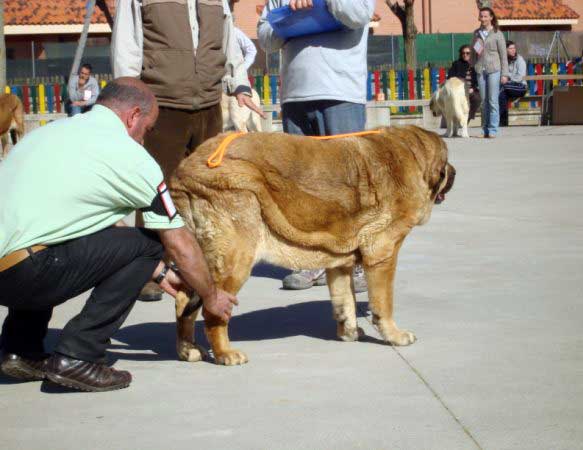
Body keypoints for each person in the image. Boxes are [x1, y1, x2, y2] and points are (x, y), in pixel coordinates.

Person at [0, 78, 237, 392]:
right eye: (148, 129)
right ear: (133, 116)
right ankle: (79, 355)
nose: (144, 139)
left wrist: (159, 272)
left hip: (11, 270)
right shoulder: (132, 158)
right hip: (25, 274)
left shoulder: (49, 133)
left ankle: (20, 351)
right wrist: (211, 296)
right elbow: (178, 242)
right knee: (151, 243)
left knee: (44, 236)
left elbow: (83, 223)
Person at [112, 0, 263, 301]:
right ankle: (150, 269)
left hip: (208, 105)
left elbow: (227, 39)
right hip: (161, 104)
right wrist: (128, 98)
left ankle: (205, 264)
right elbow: (126, 46)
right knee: (156, 191)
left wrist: (239, 84)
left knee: (209, 190)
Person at [258, 0, 374, 292]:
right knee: (301, 187)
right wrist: (290, 17)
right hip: (296, 94)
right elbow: (266, 38)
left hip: (340, 91)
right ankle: (311, 262)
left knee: (348, 184)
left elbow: (360, 14)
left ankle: (355, 262)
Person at [471, 6, 509, 139]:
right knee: (484, 101)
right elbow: (474, 53)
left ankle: (493, 129)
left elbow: (504, 55)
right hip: (480, 69)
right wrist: (473, 67)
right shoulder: (476, 33)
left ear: (491, 17)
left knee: (493, 100)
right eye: (481, 16)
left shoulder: (497, 33)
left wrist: (505, 74)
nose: (483, 18)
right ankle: (484, 129)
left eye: (485, 16)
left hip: (494, 69)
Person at [448, 44, 482, 123]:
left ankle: (467, 119)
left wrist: (472, 88)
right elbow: (450, 78)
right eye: (463, 53)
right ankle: (458, 119)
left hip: (471, 90)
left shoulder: (476, 64)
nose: (465, 55)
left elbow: (478, 80)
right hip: (458, 90)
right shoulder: (456, 64)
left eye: (467, 53)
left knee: (477, 98)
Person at [499, 41, 528, 127]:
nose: (513, 50)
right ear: (505, 50)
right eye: (510, 48)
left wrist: (508, 78)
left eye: (514, 48)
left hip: (521, 87)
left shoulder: (520, 60)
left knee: (502, 89)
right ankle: (503, 122)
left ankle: (499, 120)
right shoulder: (503, 61)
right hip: (508, 88)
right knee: (502, 95)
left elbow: (520, 77)